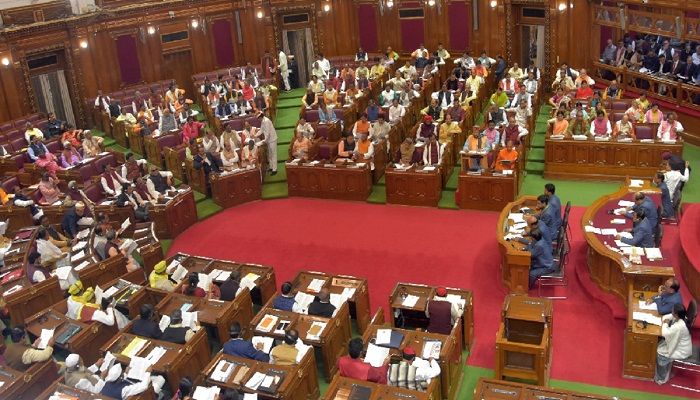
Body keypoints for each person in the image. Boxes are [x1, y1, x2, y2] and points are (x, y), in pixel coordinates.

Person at [654, 303, 693, 385]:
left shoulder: (679, 326)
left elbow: (665, 333)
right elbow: (666, 317)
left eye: (672, 310)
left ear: (676, 314)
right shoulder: (681, 317)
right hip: (679, 345)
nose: (671, 310)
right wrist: (666, 321)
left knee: (661, 354)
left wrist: (665, 323)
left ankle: (661, 377)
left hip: (681, 350)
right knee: (659, 343)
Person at [260, 110, 278, 175]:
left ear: (260, 117)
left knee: (273, 154)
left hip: (272, 139)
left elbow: (267, 133)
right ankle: (271, 167)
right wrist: (255, 135)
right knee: (270, 154)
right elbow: (261, 130)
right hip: (268, 140)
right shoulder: (262, 121)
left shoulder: (266, 121)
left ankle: (274, 169)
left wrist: (264, 140)